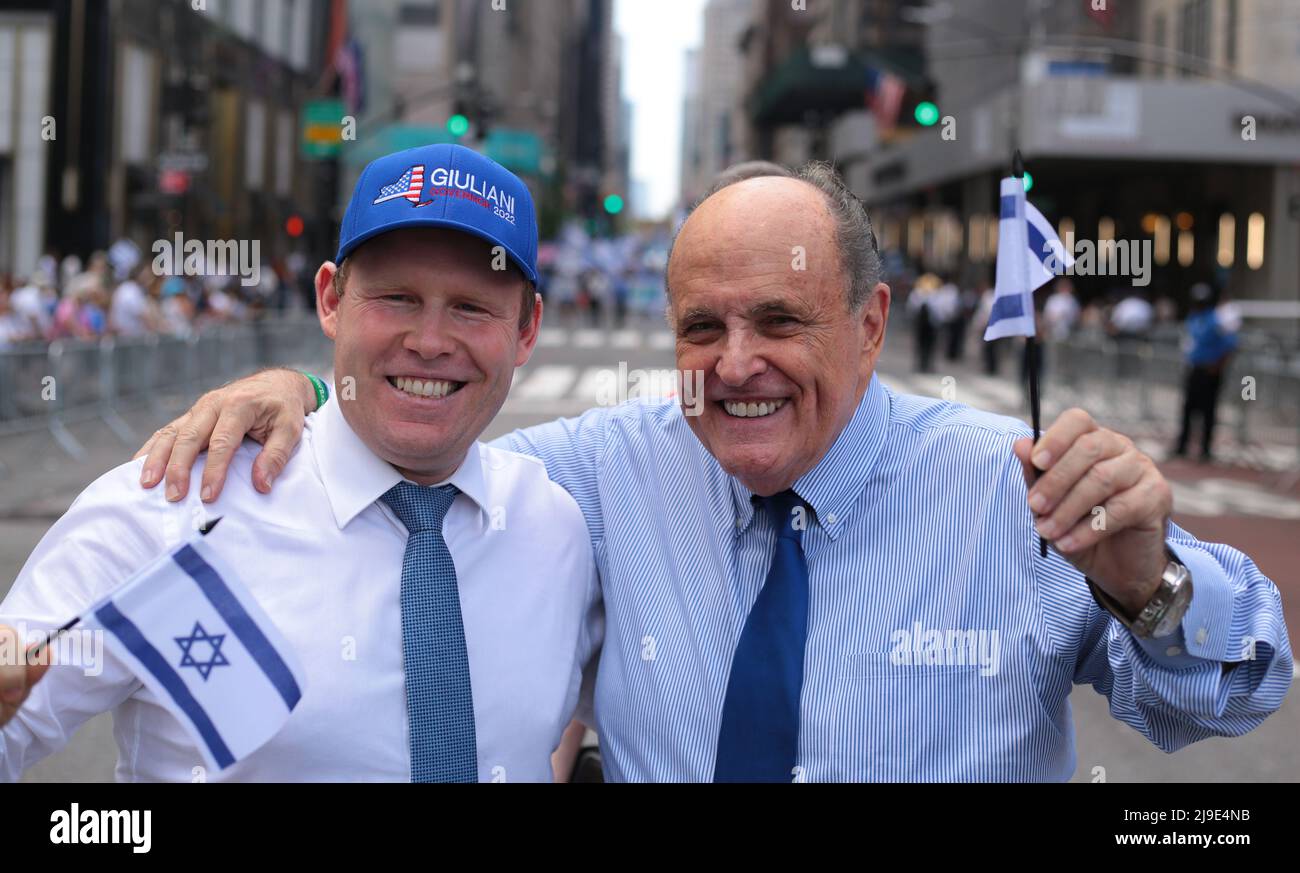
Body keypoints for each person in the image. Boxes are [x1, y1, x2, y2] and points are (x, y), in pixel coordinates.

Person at [133, 162, 1290, 782]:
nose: (737, 367)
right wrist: (309, 393)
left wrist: (1150, 584)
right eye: (701, 328)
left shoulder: (1014, 491)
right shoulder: (599, 468)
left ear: (873, 322)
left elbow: (1233, 700)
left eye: (781, 321)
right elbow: (424, 435)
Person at [0, 143, 601, 782]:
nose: (429, 342)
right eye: (396, 298)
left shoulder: (556, 527)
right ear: (331, 301)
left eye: (471, 307)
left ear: (527, 329)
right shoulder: (174, 501)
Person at [1174, 283, 1238, 463]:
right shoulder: (1193, 319)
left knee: (1208, 411)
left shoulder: (1217, 321)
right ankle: (1182, 446)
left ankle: (1205, 449)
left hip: (1210, 372)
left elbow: (1231, 345)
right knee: (1188, 409)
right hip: (1194, 369)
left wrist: (1217, 366)